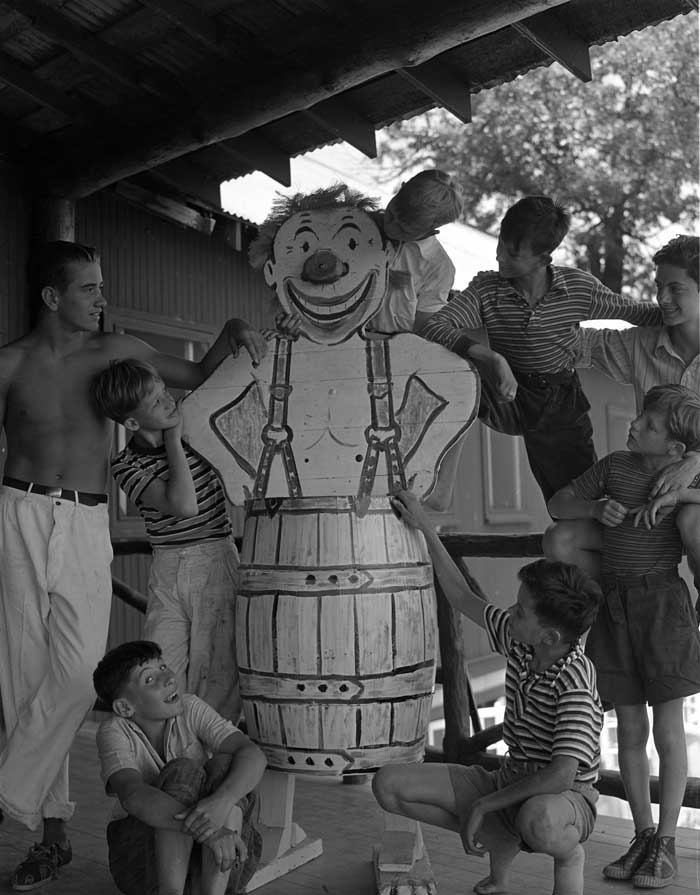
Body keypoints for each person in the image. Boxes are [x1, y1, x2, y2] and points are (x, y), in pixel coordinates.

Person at [0, 240, 268, 889]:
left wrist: (233, 330)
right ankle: (51, 835)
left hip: (87, 517)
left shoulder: (116, 348)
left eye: (102, 285)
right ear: (52, 297)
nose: (102, 298)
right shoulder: (9, 364)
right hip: (17, 510)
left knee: (76, 671)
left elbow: (196, 373)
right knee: (21, 678)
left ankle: (8, 790)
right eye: (89, 288)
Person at [373, 489, 604, 895]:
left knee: (541, 820)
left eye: (519, 611)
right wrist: (426, 526)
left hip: (564, 798)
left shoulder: (575, 683)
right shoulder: (522, 640)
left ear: (550, 635)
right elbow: (462, 596)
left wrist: (483, 805)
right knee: (388, 785)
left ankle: (569, 856)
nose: (509, 613)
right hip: (509, 778)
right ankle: (501, 838)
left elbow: (561, 775)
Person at [547, 384, 700, 888]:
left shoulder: (682, 473)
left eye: (649, 425)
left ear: (676, 449)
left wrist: (682, 493)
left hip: (662, 606)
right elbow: (558, 502)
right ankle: (641, 834)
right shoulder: (615, 466)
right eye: (640, 418)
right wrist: (594, 510)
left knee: (668, 731)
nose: (635, 425)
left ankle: (667, 842)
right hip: (613, 606)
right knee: (630, 731)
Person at [421, 195, 662, 502]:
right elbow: (435, 326)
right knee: (449, 378)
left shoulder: (577, 289)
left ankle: (588, 541)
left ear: (543, 259)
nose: (499, 258)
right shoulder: (487, 289)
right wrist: (490, 358)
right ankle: (438, 487)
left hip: (558, 402)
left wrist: (685, 312)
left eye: (512, 253)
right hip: (504, 391)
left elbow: (639, 312)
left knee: (571, 497)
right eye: (500, 245)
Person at [546, 234, 700, 608]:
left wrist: (693, 464)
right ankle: (627, 608)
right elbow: (569, 341)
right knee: (559, 541)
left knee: (692, 521)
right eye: (658, 287)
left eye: (675, 288)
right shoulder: (639, 344)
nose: (662, 298)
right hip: (643, 501)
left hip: (695, 503)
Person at [91, 358, 241, 723]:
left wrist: (179, 434)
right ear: (131, 423)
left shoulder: (200, 432)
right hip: (169, 565)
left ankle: (207, 762)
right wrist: (174, 439)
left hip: (215, 556)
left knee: (219, 669)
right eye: (156, 402)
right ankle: (173, 756)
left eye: (164, 391)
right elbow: (183, 505)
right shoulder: (127, 464)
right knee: (163, 662)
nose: (169, 400)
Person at [93, 640, 266, 895]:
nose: (168, 678)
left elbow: (253, 754)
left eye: (163, 667)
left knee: (227, 764)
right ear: (125, 707)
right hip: (144, 868)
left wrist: (221, 802)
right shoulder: (114, 731)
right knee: (182, 770)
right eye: (150, 679)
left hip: (222, 861)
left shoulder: (190, 707)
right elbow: (132, 794)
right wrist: (211, 831)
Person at [368, 169, 463, 335]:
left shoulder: (439, 268)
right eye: (390, 214)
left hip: (389, 345)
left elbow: (424, 327)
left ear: (433, 230)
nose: (391, 226)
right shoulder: (360, 225)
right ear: (400, 188)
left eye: (404, 229)